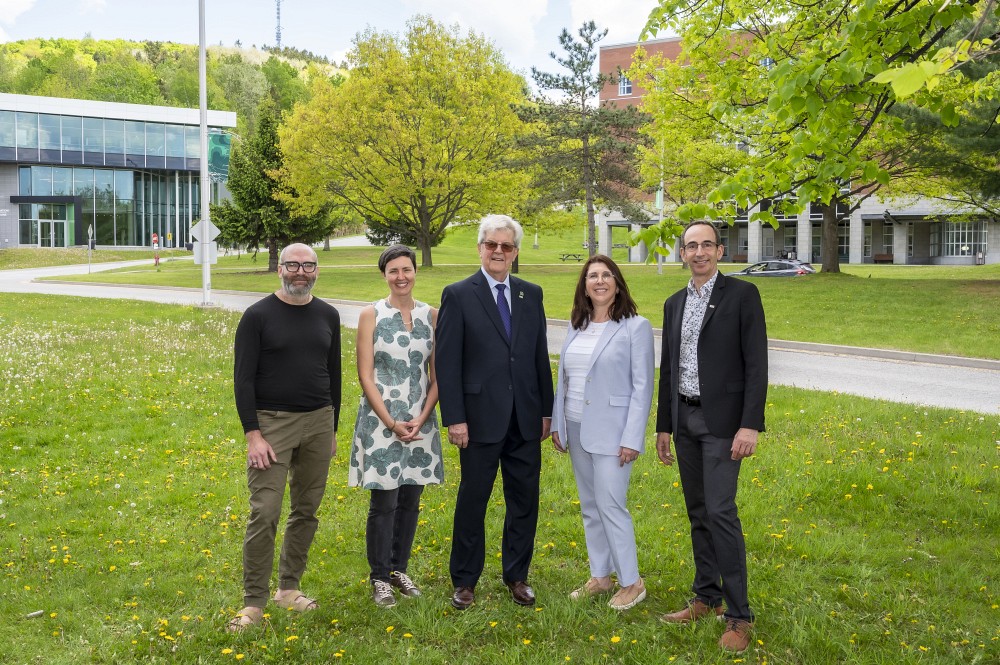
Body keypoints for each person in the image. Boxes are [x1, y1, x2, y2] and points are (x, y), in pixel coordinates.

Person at [655, 221, 768, 653]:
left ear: (720, 251)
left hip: (725, 424)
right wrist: (664, 425)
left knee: (721, 511)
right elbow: (668, 367)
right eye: (690, 246)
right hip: (685, 420)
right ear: (682, 253)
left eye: (706, 245)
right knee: (698, 510)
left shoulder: (742, 297)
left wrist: (750, 424)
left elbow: (756, 365)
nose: (698, 252)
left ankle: (739, 615)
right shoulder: (674, 302)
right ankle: (706, 596)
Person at [435, 214, 554, 610]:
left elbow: (538, 356)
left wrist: (546, 412)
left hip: (525, 417)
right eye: (492, 245)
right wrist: (454, 417)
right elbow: (447, 363)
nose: (498, 252)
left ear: (515, 252)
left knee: (524, 500)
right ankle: (465, 580)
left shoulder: (530, 293)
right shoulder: (458, 293)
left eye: (506, 246)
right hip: (478, 419)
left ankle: (517, 576)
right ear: (480, 249)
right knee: (474, 499)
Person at [228, 243, 341, 632]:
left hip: (319, 422)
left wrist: (332, 429)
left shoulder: (328, 314)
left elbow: (334, 376)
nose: (300, 272)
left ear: (317, 270)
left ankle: (288, 589)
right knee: (265, 512)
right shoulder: (257, 316)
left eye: (308, 265)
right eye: (293, 264)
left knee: (306, 510)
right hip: (271, 425)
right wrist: (252, 434)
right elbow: (243, 380)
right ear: (280, 268)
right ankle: (253, 603)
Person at [551, 255, 654, 611]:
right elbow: (564, 379)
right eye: (592, 276)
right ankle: (601, 575)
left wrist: (632, 438)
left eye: (606, 275)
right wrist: (557, 423)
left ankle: (632, 581)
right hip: (576, 425)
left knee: (612, 505)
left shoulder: (635, 327)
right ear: (584, 285)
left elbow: (643, 388)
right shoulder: (576, 324)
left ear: (617, 282)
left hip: (614, 433)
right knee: (591, 506)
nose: (599, 281)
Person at [349, 244, 443, 608]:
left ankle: (399, 569)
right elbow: (365, 374)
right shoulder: (370, 314)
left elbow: (438, 375)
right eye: (393, 271)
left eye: (407, 269)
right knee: (384, 500)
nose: (401, 277)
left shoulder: (432, 315)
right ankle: (379, 577)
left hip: (420, 419)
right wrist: (390, 421)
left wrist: (421, 416)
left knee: (411, 498)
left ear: (415, 271)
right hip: (381, 420)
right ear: (384, 275)